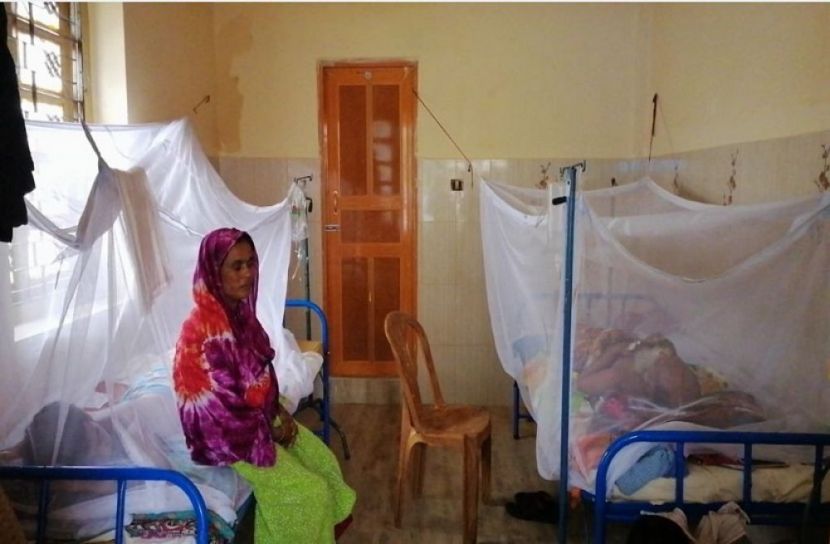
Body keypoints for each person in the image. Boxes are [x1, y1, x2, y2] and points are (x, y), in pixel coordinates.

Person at [173, 228, 355, 544]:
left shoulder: (240, 317)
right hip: (228, 436)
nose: (247, 273)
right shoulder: (203, 334)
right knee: (307, 492)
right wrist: (268, 429)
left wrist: (278, 412)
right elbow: (220, 412)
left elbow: (261, 374)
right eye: (236, 266)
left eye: (250, 263)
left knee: (323, 461)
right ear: (214, 272)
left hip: (257, 416)